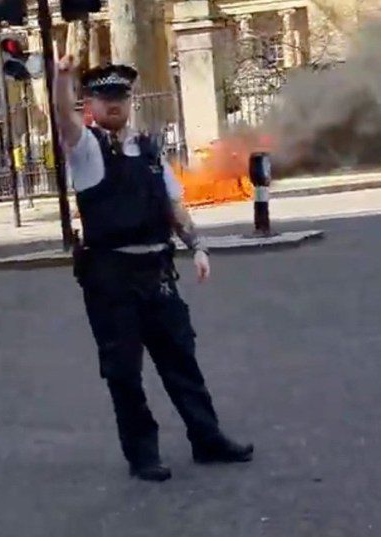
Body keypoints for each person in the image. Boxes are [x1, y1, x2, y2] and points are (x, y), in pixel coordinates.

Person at [54, 57, 253, 482]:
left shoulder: (148, 152)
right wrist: (62, 80)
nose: (113, 104)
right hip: (111, 277)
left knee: (181, 359)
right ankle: (143, 454)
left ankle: (208, 438)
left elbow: (173, 204)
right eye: (103, 97)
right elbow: (63, 121)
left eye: (120, 96)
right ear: (88, 104)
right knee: (124, 371)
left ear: (130, 101)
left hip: (157, 271)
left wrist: (196, 246)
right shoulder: (86, 149)